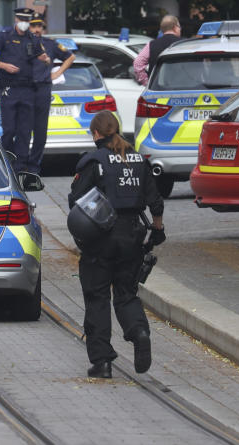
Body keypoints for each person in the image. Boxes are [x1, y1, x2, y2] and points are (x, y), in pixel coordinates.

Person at [67, 110, 165, 378]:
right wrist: (157, 230)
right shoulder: (138, 160)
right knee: (126, 293)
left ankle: (102, 362)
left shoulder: (93, 162)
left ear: (96, 134)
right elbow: (156, 201)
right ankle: (139, 331)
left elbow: (75, 200)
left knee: (97, 297)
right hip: (133, 237)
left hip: (100, 238)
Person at [0, 7, 44, 172]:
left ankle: (20, 167)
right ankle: (6, 161)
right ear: (16, 20)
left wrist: (46, 59)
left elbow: (41, 56)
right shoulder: (5, 36)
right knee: (8, 129)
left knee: (24, 131)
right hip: (9, 88)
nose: (24, 23)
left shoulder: (33, 39)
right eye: (22, 20)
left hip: (28, 89)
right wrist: (4, 66)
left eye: (27, 20)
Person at [26, 12, 75, 174]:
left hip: (42, 90)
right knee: (22, 130)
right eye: (33, 25)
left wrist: (57, 73)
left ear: (43, 28)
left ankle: (33, 168)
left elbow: (70, 57)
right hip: (24, 90)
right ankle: (20, 166)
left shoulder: (51, 44)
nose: (36, 29)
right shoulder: (21, 43)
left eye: (39, 25)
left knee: (40, 132)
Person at [132, 15, 182, 85]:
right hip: (183, 87)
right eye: (179, 27)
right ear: (175, 27)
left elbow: (138, 63)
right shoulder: (184, 44)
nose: (180, 29)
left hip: (157, 90)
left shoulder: (151, 45)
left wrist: (147, 83)